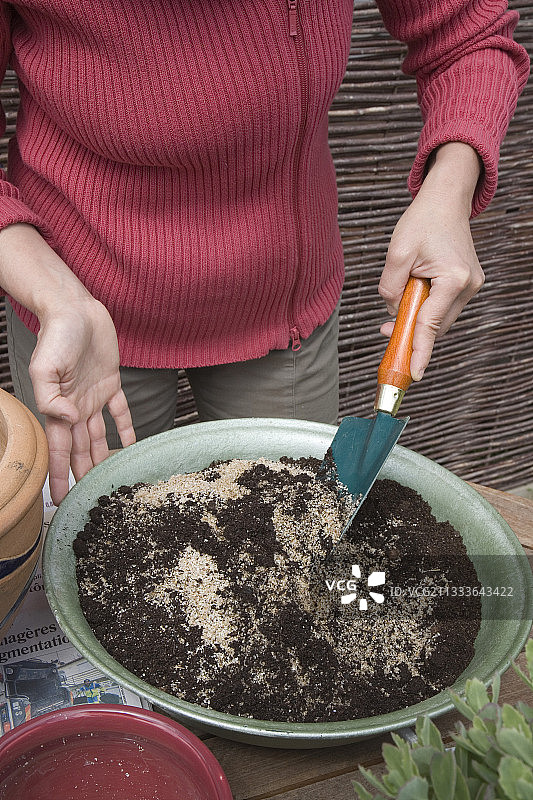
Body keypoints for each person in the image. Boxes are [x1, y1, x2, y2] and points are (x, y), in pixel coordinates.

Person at [0, 1, 529, 505]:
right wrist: (56, 296)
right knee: (99, 549)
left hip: (281, 305)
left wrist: (450, 191)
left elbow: (468, 36)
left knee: (296, 545)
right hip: (75, 307)